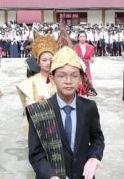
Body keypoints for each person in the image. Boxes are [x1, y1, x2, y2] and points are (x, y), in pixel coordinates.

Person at [27, 46, 105, 179]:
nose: (68, 81)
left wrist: (94, 157)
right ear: (52, 78)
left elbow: (97, 138)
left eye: (74, 76)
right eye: (62, 75)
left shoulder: (89, 107)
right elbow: (36, 154)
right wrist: (51, 176)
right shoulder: (39, 111)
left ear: (80, 79)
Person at [16, 34, 58, 108]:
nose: (48, 63)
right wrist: (35, 102)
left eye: (51, 60)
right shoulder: (31, 81)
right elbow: (26, 105)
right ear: (38, 62)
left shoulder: (59, 79)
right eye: (44, 60)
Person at [74, 31, 95, 96]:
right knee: (78, 82)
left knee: (86, 82)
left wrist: (92, 60)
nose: (82, 38)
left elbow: (91, 58)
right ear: (78, 38)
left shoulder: (90, 47)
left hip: (86, 67)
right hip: (78, 66)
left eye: (84, 36)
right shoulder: (74, 47)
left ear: (86, 38)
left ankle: (85, 96)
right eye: (80, 36)